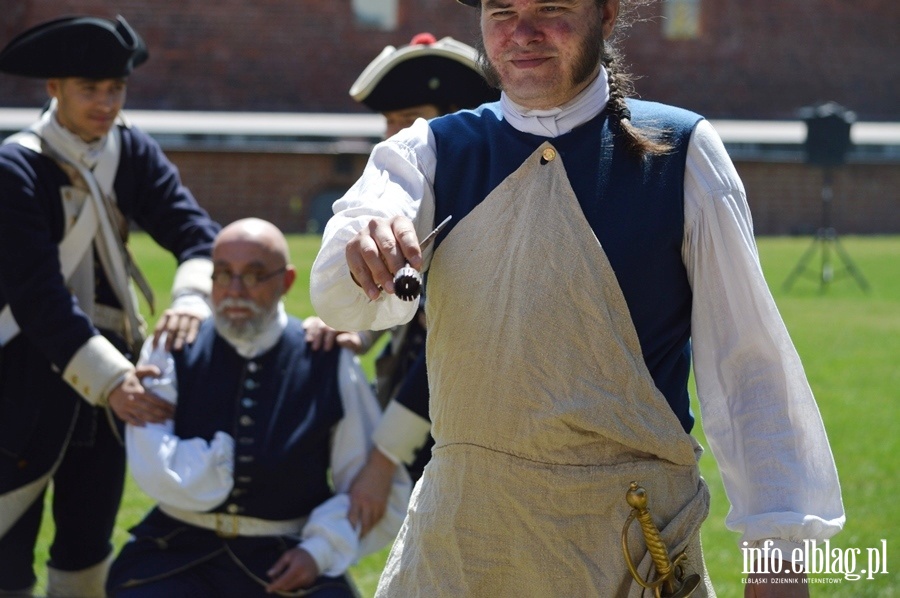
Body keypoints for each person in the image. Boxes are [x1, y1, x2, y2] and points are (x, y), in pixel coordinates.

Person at [310, 0, 845, 596]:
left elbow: (751, 372)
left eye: (551, 8)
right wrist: (364, 246)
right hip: (461, 547)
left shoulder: (682, 151)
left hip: (629, 547)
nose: (522, 34)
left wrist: (778, 564)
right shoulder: (427, 151)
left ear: (608, 14)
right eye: (502, 11)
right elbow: (343, 295)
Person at [0, 15, 221, 597]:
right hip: (22, 375)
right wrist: (114, 381)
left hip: (110, 381)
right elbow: (37, 295)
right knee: (6, 546)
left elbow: (195, 231)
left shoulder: (129, 150)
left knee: (87, 541)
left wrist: (193, 299)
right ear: (54, 89)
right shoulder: (15, 167)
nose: (105, 103)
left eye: (115, 89)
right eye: (89, 89)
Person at [105, 218, 410, 597]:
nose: (234, 291)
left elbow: (363, 486)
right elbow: (153, 462)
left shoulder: (327, 358)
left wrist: (317, 552)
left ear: (286, 281)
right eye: (223, 274)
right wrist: (220, 460)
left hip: (285, 555)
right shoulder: (173, 347)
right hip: (174, 553)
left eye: (253, 275)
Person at [306, 32, 499, 536]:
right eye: (389, 125)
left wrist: (383, 457)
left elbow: (457, 345)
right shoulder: (410, 190)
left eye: (408, 122)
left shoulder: (482, 200)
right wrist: (358, 328)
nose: (394, 139)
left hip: (465, 427)